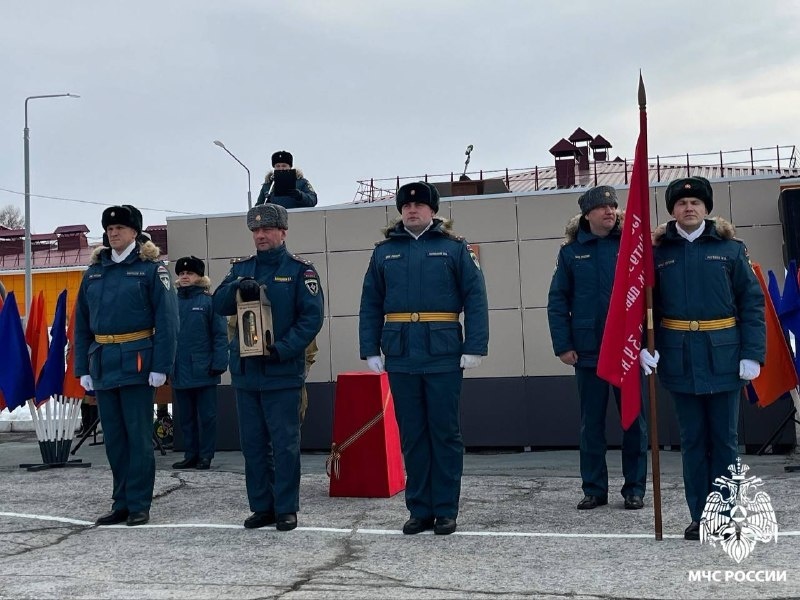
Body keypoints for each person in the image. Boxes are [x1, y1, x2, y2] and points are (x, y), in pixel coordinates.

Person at [358, 181, 489, 535]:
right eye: (406, 206)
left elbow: (475, 298)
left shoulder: (454, 249)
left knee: (444, 433)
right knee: (413, 435)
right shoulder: (384, 253)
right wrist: (370, 348)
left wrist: (474, 346)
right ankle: (420, 509)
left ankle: (446, 509)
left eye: (419, 205)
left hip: (443, 353)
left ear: (433, 210)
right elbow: (370, 302)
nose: (412, 210)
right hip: (400, 353)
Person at [639, 176, 765, 540]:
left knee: (724, 440)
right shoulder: (658, 254)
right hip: (678, 358)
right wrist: (645, 347)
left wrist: (753, 354)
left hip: (724, 356)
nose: (688, 208)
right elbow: (647, 307)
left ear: (707, 209)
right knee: (692, 441)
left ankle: (724, 515)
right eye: (681, 203)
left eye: (695, 203)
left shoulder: (729, 249)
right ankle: (700, 516)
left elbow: (751, 303)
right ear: (672, 211)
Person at [213, 203, 324, 531]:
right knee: (253, 444)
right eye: (256, 231)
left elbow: (311, 319)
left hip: (281, 371)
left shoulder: (300, 271)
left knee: (285, 443)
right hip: (247, 373)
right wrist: (237, 288)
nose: (261, 235)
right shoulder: (241, 269)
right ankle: (262, 506)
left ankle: (286, 507)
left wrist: (282, 350)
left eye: (267, 230)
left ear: (283, 232)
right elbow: (218, 305)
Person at [74, 205, 178, 527]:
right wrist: (83, 368)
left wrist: (161, 365)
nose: (113, 232)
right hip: (103, 363)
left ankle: (138, 504)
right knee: (115, 439)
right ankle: (120, 502)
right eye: (109, 228)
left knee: (138, 437)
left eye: (119, 227)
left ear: (135, 232)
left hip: (137, 363)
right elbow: (81, 325)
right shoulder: (94, 272)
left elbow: (168, 321)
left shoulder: (151, 270)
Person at [547, 186, 648, 511]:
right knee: (591, 424)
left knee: (633, 420)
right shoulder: (572, 252)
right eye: (603, 206)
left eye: (614, 206)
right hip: (588, 350)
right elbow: (557, 301)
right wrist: (563, 345)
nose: (611, 211)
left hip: (627, 350)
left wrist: (646, 343)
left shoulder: (631, 246)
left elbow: (648, 295)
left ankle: (634, 489)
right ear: (587, 214)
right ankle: (594, 489)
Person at [171, 256, 228, 471]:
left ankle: (206, 456)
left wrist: (219, 362)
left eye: (190, 273)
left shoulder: (209, 301)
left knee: (207, 417)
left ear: (199, 277)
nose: (185, 276)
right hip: (179, 369)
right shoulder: (172, 302)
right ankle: (191, 454)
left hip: (204, 368)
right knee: (186, 417)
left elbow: (220, 335)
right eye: (182, 273)